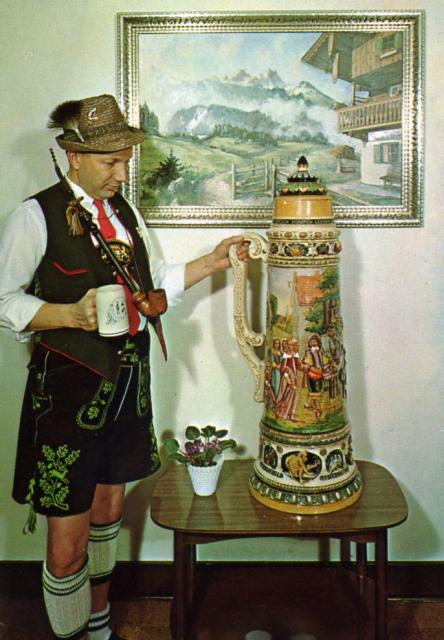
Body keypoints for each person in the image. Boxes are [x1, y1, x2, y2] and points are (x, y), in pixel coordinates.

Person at [0, 94, 248, 640]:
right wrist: (69, 314)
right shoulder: (33, 216)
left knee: (109, 508)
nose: (121, 173)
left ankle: (99, 627)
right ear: (74, 157)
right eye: (110, 162)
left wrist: (215, 259)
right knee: (66, 543)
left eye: (125, 161)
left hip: (129, 384)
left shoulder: (125, 215)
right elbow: (3, 299)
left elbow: (154, 282)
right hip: (67, 393)